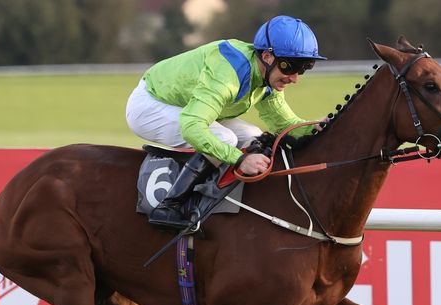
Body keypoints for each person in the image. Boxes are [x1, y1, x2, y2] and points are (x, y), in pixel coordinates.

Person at [126, 15, 327, 230]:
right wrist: (239, 160)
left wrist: (313, 127)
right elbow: (192, 127)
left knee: (252, 135)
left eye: (303, 68)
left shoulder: (268, 78)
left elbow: (284, 124)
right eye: (290, 67)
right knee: (226, 139)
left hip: (187, 108)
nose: (294, 78)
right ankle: (168, 207)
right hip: (149, 105)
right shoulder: (227, 73)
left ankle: (225, 202)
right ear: (267, 56)